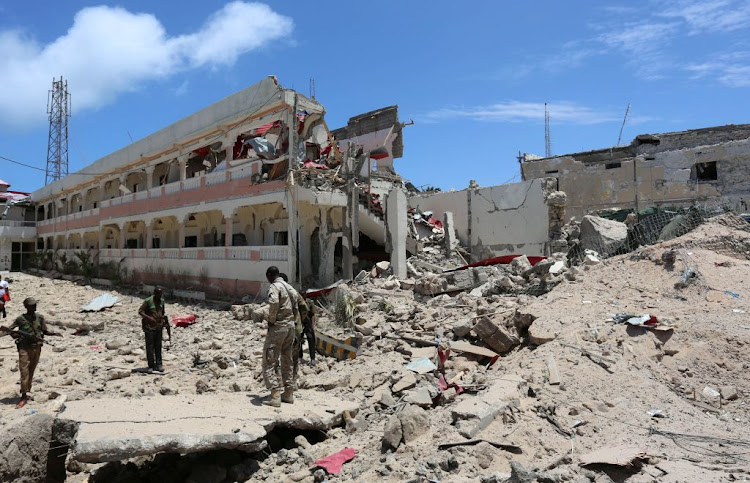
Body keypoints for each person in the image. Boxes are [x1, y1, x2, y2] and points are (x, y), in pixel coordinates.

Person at [0, 297, 62, 408]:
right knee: (24, 371)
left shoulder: (40, 318)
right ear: (26, 306)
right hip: (24, 347)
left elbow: (44, 331)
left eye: (34, 305)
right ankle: (23, 396)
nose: (34, 307)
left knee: (31, 370)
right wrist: (15, 334)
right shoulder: (20, 319)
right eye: (31, 305)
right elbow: (10, 330)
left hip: (36, 347)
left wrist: (54, 334)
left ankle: (27, 390)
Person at [262, 266, 301, 407]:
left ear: (270, 275)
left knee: (269, 360)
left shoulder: (275, 286)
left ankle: (275, 395)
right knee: (287, 360)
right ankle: (288, 393)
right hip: (291, 327)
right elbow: (296, 309)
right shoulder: (290, 288)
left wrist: (271, 320)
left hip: (278, 328)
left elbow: (273, 303)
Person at [138, 287, 167, 373]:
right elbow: (140, 311)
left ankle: (159, 364)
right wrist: (149, 318)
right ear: (155, 294)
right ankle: (151, 365)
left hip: (159, 326)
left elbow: (162, 312)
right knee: (150, 347)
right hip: (149, 328)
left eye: (161, 294)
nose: (159, 296)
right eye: (158, 294)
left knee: (158, 346)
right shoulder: (148, 301)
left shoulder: (162, 301)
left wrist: (163, 320)